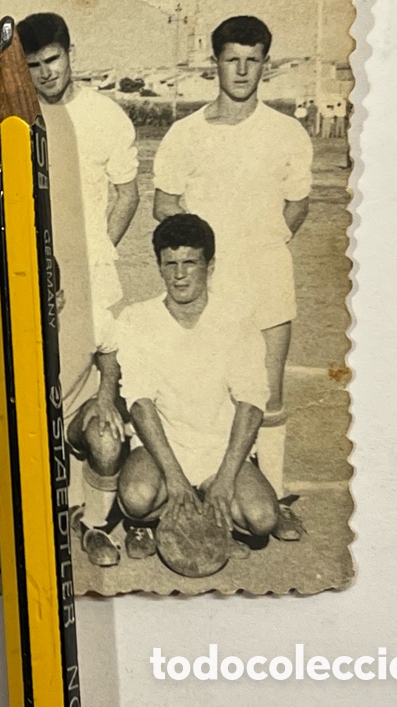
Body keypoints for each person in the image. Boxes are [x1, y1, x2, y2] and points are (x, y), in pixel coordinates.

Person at [152, 15, 313, 541]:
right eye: (231, 59)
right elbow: (164, 205)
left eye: (253, 60)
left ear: (265, 64)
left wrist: (259, 246)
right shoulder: (185, 134)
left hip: (268, 281)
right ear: (214, 63)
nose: (242, 70)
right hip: (210, 290)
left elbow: (297, 204)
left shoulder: (287, 132)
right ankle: (209, 487)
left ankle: (278, 495)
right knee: (206, 391)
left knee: (269, 394)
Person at [16, 12, 140, 567]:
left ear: (71, 53)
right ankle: (34, 507)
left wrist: (96, 255)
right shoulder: (18, 117)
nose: (45, 73)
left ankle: (104, 514)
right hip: (36, 277)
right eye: (34, 65)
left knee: (103, 381)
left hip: (94, 278)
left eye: (53, 60)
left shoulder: (105, 115)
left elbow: (127, 195)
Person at [116, 214, 279, 562]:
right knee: (136, 498)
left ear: (210, 265)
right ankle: (154, 519)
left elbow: (251, 405)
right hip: (162, 449)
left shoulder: (237, 317)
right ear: (158, 265)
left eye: (190, 263)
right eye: (169, 263)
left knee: (262, 520)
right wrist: (174, 478)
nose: (179, 275)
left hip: (220, 449)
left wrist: (224, 478)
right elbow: (140, 405)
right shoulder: (137, 318)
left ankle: (207, 502)